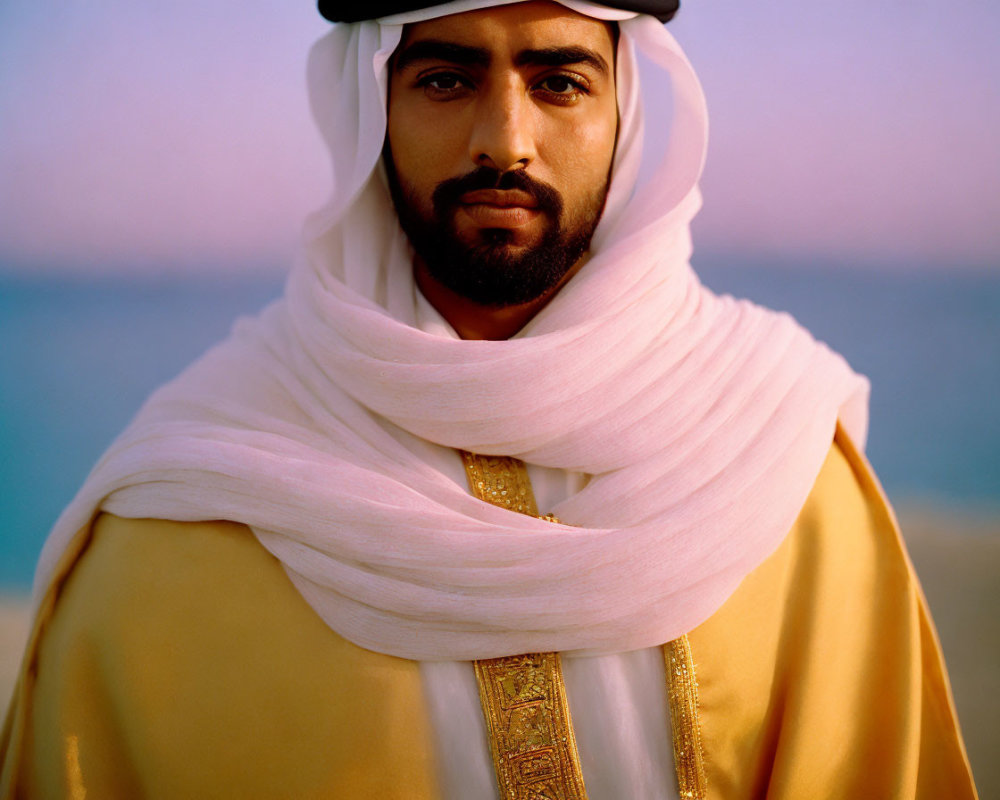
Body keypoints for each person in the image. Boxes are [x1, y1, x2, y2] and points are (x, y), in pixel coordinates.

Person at [0, 0, 978, 797]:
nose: (504, 140)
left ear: (625, 110)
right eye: (445, 77)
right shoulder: (183, 511)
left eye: (558, 81)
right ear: (367, 106)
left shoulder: (777, 457)